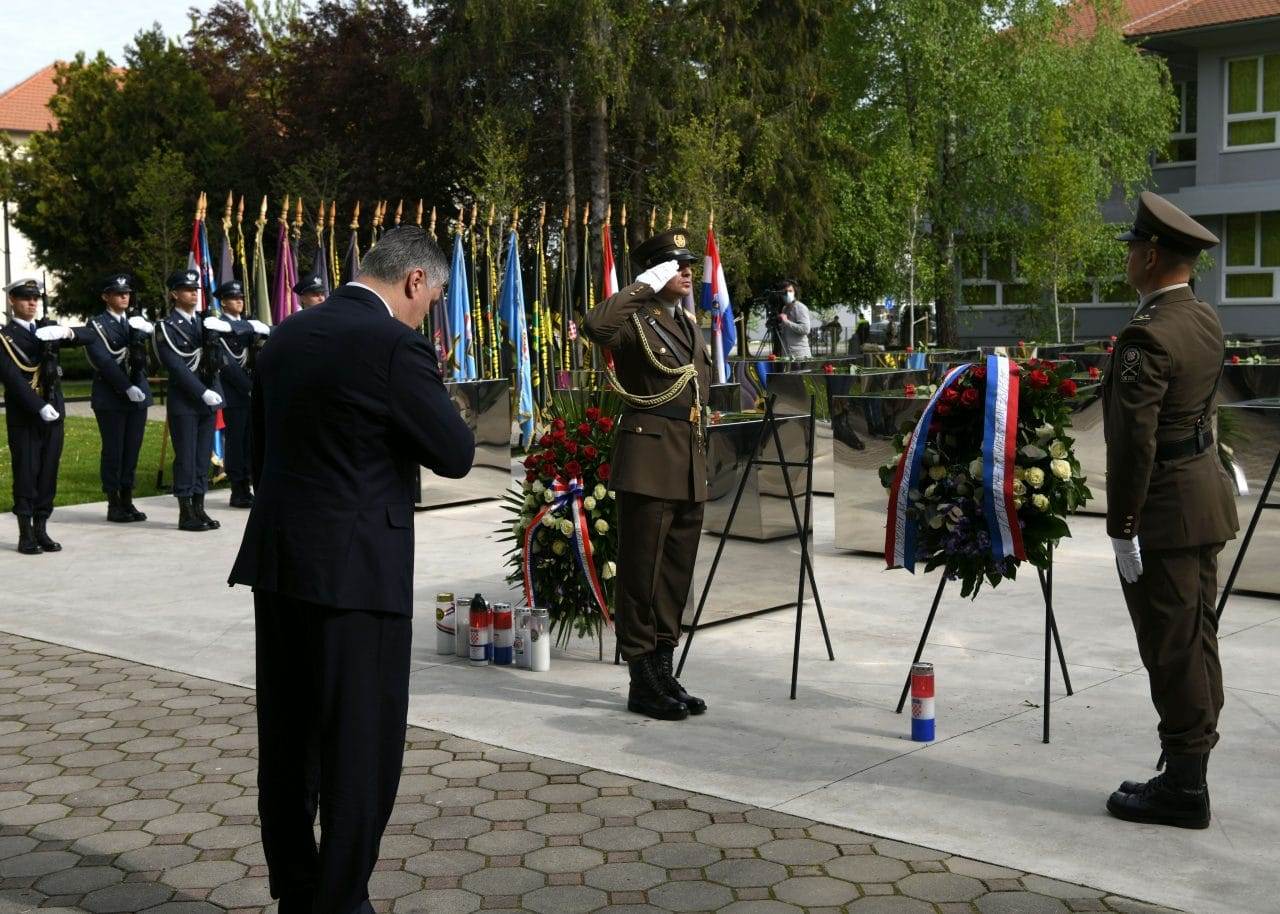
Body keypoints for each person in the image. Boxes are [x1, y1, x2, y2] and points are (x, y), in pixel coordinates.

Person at [228, 226, 474, 914]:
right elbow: (453, 452)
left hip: (280, 566)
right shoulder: (395, 345)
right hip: (358, 576)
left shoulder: (287, 335)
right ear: (414, 281)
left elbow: (258, 452)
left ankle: (298, 894)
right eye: (435, 297)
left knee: (288, 741)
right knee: (359, 749)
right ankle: (341, 903)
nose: (430, 311)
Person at [1104, 191, 1239, 829]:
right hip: (1201, 503)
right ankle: (1188, 764)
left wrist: (1123, 527)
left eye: (1133, 247)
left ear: (1152, 254)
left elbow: (1135, 445)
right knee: (1196, 637)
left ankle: (1185, 789)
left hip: (1163, 512)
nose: (1128, 257)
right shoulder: (1203, 318)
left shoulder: (1147, 335)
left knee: (1171, 645)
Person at [582, 228, 711, 721]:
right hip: (649, 461)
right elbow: (595, 327)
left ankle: (662, 666)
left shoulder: (686, 323)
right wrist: (640, 286)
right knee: (642, 573)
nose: (685, 272)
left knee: (674, 574)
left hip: (688, 462)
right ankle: (641, 677)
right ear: (654, 270)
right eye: (674, 265)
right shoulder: (636, 318)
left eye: (688, 265)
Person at [0, 278, 85, 553]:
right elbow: (12, 378)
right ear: (12, 301)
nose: (32, 303)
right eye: (25, 298)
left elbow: (92, 337)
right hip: (26, 417)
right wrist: (38, 407)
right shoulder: (4, 337)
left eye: (35, 298)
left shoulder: (46, 331)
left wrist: (67, 332)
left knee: (48, 473)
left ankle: (42, 529)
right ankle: (26, 534)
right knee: (26, 473)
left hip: (54, 415)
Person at [153, 269, 235, 532]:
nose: (193, 294)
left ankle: (199, 507)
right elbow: (175, 365)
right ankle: (185, 512)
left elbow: (215, 360)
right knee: (186, 458)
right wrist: (201, 391)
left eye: (195, 290)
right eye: (188, 290)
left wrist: (215, 392)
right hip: (186, 401)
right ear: (175, 294)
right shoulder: (165, 327)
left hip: (208, 401)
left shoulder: (205, 323)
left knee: (201, 458)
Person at [82, 273, 155, 523]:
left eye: (126, 293)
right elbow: (103, 361)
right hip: (111, 396)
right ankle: (114, 503)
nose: (124, 296)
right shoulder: (97, 325)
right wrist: (125, 387)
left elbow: (143, 359)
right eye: (117, 293)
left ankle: (127, 499)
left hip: (138, 395)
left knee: (132, 449)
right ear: (106, 297)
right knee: (114, 450)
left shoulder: (135, 322)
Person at [215, 280, 270, 508]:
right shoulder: (218, 326)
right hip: (235, 393)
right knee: (236, 442)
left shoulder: (248, 326)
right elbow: (226, 364)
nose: (239, 301)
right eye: (234, 298)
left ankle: (249, 483)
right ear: (224, 303)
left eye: (241, 298)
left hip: (250, 392)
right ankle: (237, 488)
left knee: (251, 441)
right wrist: (249, 388)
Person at [777, 279, 811, 358]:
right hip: (787, 354)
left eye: (790, 291)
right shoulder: (784, 309)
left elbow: (806, 329)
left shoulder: (800, 307)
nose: (788, 294)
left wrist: (786, 322)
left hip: (800, 355)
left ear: (795, 292)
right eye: (785, 292)